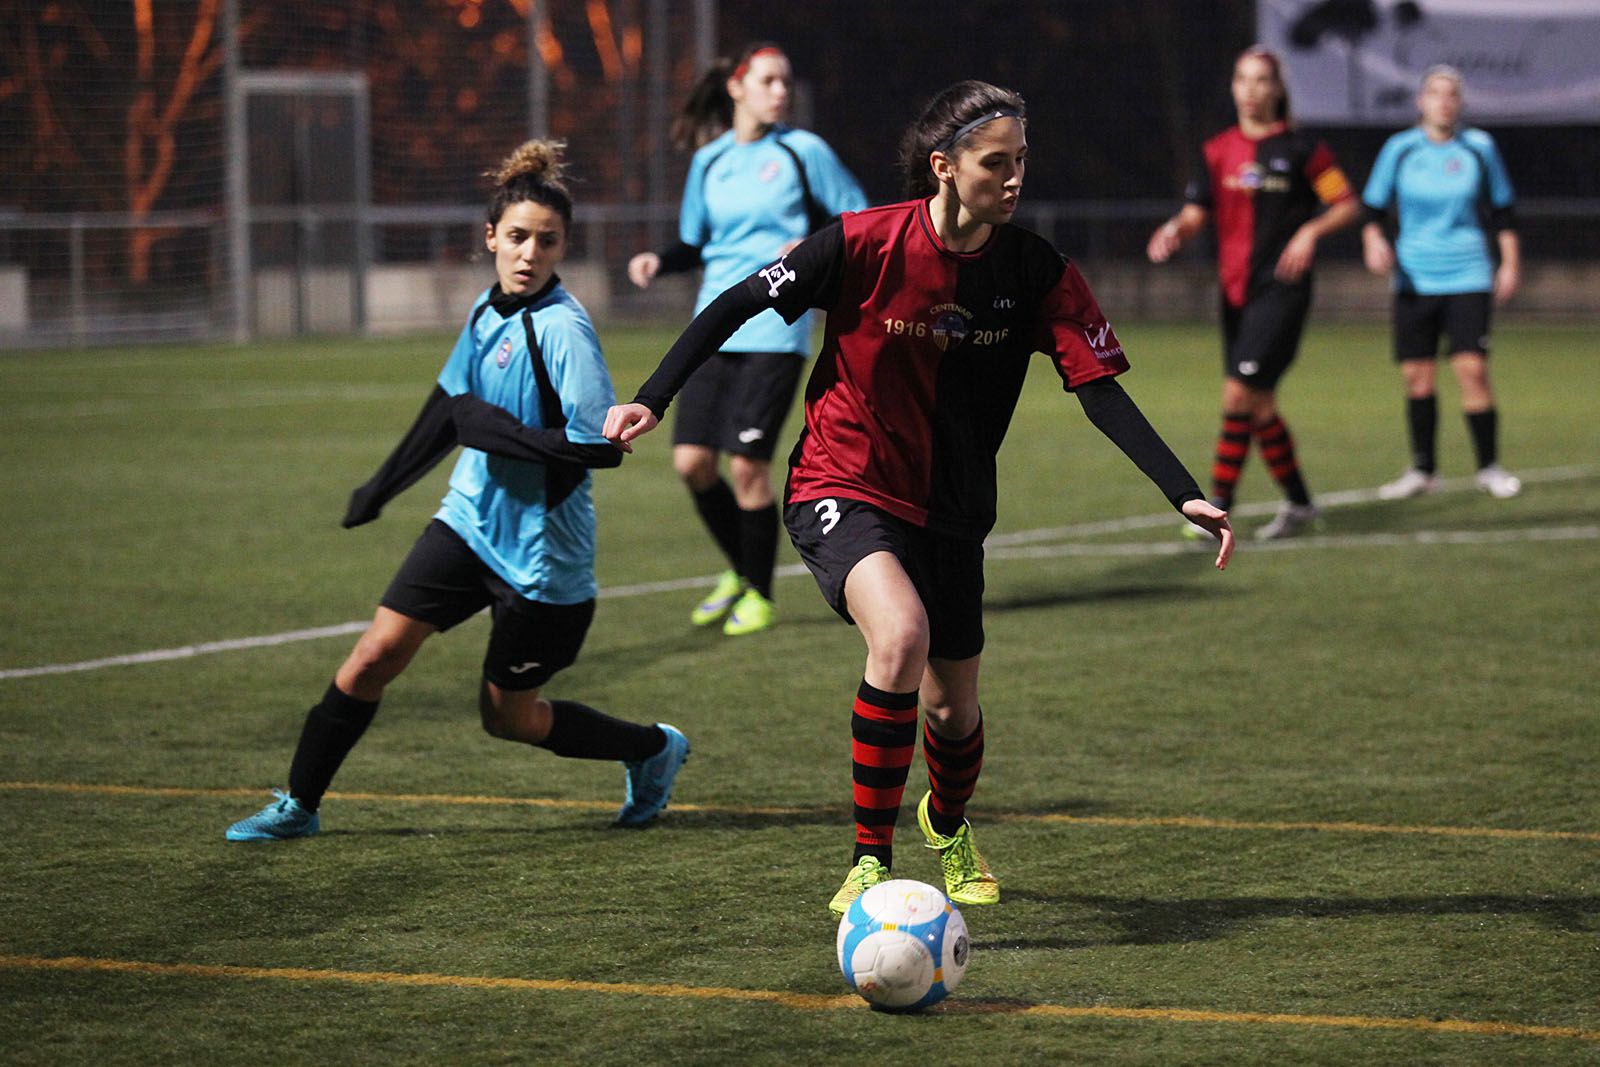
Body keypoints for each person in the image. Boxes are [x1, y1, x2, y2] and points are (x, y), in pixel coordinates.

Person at [605, 81, 1234, 916]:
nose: (1014, 180)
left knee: (954, 707)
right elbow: (736, 301)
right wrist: (656, 395)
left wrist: (1182, 490)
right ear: (944, 166)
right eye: (994, 163)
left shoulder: (1036, 270)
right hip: (842, 479)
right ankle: (870, 857)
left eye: (1021, 163)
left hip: (955, 509)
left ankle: (949, 820)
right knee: (899, 634)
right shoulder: (862, 243)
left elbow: (1099, 390)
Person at [226, 141, 689, 842]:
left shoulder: (564, 329)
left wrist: (490, 428)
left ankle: (651, 747)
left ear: (563, 245)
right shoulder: (484, 309)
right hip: (468, 523)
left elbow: (596, 449)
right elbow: (450, 404)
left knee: (508, 717)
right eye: (517, 237)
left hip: (542, 558)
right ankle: (299, 803)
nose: (530, 253)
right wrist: (381, 485)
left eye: (547, 240)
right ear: (490, 239)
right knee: (374, 654)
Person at [626, 42, 867, 636]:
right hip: (717, 328)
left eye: (785, 82)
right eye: (768, 80)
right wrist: (659, 258)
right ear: (736, 87)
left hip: (775, 332)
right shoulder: (709, 161)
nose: (780, 91)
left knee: (748, 470)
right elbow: (697, 243)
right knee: (690, 463)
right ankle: (740, 569)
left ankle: (759, 594)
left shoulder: (802, 151)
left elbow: (859, 222)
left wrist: (810, 250)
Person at [1147, 46, 1359, 540]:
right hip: (1235, 293)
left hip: (1282, 290)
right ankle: (1302, 505)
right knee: (1259, 404)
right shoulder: (1218, 149)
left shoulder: (1304, 150)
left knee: (1238, 393)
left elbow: (1346, 204)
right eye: (1242, 79)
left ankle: (1217, 505)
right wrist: (1177, 229)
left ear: (1277, 88)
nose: (1250, 89)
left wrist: (1309, 233)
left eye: (1262, 80)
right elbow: (1198, 211)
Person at [1361, 65, 1522, 500]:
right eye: (1435, 93)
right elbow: (1372, 210)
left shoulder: (1479, 148)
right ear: (1421, 101)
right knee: (1417, 377)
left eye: (1452, 94)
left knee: (1472, 370)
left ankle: (1489, 466)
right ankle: (1423, 470)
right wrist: (1374, 241)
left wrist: (1509, 264)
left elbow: (1503, 211)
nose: (1444, 101)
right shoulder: (1400, 149)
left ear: (1461, 103)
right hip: (1414, 278)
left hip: (1468, 273)